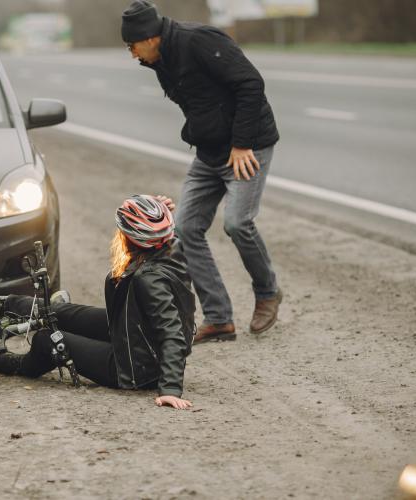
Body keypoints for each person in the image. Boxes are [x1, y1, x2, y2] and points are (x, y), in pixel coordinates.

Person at [121, 1, 283, 342]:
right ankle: (219, 318)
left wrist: (241, 143)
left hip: (245, 148)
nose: (132, 55)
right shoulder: (161, 60)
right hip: (209, 154)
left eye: (132, 46)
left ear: (149, 38)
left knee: (238, 223)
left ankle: (267, 291)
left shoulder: (199, 41)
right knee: (185, 229)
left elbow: (250, 83)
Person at [0, 195, 197, 409]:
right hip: (131, 331)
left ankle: (18, 364)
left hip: (134, 366)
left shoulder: (150, 280)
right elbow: (157, 230)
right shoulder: (170, 245)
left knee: (48, 339)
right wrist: (153, 213)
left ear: (133, 238)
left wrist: (170, 389)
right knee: (58, 311)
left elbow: (172, 332)